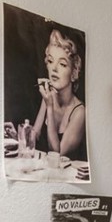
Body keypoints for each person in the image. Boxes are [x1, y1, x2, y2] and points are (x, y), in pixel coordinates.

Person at [33, 29, 86, 161]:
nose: (54, 68)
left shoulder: (79, 112)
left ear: (74, 73)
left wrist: (49, 107)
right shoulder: (48, 96)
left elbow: (56, 153)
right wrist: (22, 134)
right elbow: (35, 134)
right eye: (50, 61)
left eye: (62, 64)